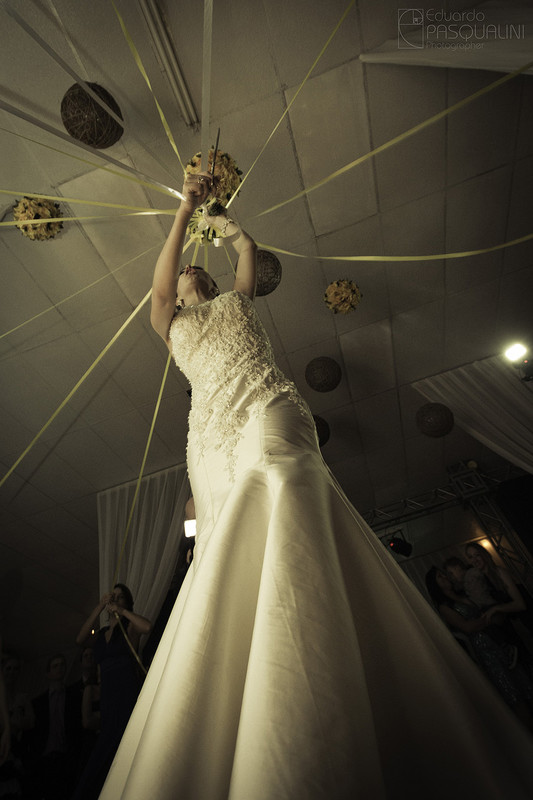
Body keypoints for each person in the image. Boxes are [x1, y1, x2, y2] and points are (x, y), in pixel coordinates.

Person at [101, 171, 533, 799]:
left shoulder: (237, 301)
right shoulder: (169, 324)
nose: (192, 273)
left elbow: (248, 256)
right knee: (231, 539)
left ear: (215, 283)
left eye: (202, 270)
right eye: (188, 272)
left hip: (269, 405)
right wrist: (185, 209)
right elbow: (160, 282)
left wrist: (231, 229)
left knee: (283, 474)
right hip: (210, 437)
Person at [425, 567, 533, 726]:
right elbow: (466, 627)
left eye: (444, 573)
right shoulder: (445, 606)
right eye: (440, 576)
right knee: (511, 691)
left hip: (498, 640)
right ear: (435, 585)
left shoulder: (463, 594)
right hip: (485, 649)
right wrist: (488, 619)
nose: (445, 577)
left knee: (524, 683)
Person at [72, 585, 151, 799]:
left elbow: (147, 627)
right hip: (108, 695)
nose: (114, 600)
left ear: (127, 602)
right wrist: (99, 606)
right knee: (105, 746)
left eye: (120, 597)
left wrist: (122, 611)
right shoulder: (101, 634)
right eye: (112, 597)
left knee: (123, 740)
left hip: (126, 690)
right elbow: (80, 640)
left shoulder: (129, 627)